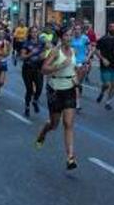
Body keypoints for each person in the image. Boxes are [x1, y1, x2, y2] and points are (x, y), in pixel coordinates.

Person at [35, 26, 79, 171]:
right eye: (66, 35)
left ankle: (70, 157)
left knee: (68, 123)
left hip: (70, 89)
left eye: (71, 35)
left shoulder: (73, 51)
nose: (69, 38)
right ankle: (43, 132)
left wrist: (80, 74)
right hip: (55, 90)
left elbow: (74, 71)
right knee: (54, 124)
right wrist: (59, 66)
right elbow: (43, 69)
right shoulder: (55, 52)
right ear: (61, 37)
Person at [94, 22, 114, 110]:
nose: (113, 28)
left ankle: (108, 102)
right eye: (111, 27)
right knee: (107, 84)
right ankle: (102, 92)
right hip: (105, 65)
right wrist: (103, 59)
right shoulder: (103, 39)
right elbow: (96, 50)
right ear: (108, 28)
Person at [20, 35, 46, 118]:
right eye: (33, 32)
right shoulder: (26, 44)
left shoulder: (41, 43)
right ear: (30, 33)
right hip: (27, 69)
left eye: (36, 32)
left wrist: (43, 56)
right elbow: (22, 57)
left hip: (38, 69)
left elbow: (47, 51)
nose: (34, 34)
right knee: (29, 89)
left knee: (39, 87)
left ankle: (35, 100)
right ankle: (27, 107)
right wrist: (31, 54)